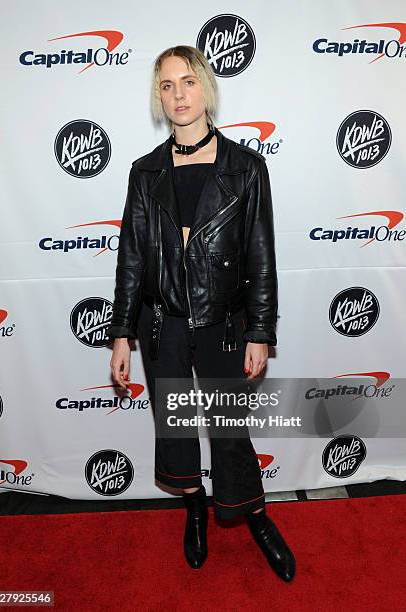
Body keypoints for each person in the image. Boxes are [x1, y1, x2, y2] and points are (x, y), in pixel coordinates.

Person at [107, 45, 295, 581]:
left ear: (206, 88)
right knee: (177, 427)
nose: (178, 95)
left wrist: (260, 330)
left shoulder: (246, 168)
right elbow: (132, 257)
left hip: (224, 323)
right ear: (158, 97)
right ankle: (193, 507)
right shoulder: (145, 173)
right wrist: (121, 333)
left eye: (187, 82)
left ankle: (253, 514)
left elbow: (262, 256)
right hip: (161, 322)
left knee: (229, 429)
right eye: (167, 86)